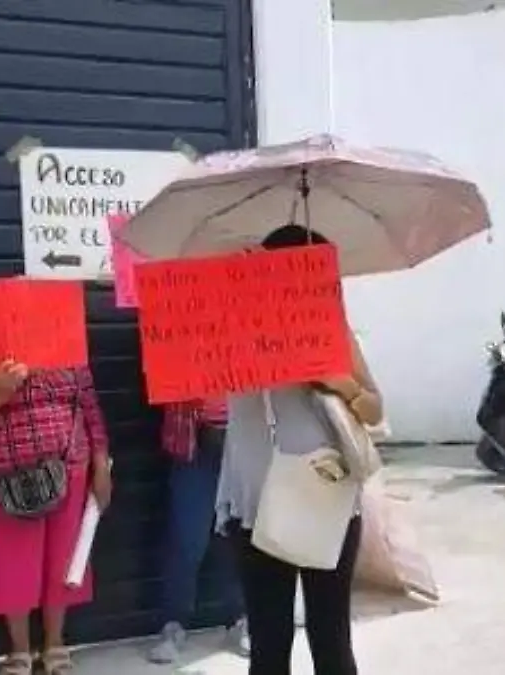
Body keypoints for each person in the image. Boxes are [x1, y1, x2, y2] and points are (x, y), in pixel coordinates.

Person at [217, 224, 384, 675]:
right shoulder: (229, 328)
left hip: (327, 497)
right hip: (256, 505)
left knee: (331, 640)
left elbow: (374, 409)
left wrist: (341, 383)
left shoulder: (333, 330)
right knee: (269, 644)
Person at [0, 362, 113, 675]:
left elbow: (90, 407)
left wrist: (101, 465)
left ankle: (55, 644)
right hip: (4, 476)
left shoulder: (68, 348)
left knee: (63, 558)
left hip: (69, 466)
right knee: (11, 563)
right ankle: (19, 650)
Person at [148, 396, 249, 664]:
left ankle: (241, 618)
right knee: (187, 537)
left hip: (245, 435)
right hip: (195, 437)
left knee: (241, 533)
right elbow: (159, 383)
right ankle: (173, 624)